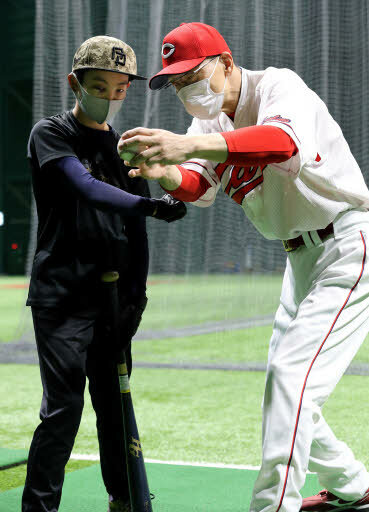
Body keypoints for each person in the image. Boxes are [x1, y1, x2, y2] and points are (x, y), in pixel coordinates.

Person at [118, 22, 369, 512]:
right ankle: (353, 484)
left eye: (191, 75)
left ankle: (272, 506)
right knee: (285, 384)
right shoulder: (206, 125)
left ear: (226, 63)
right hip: (298, 260)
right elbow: (198, 187)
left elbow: (281, 143)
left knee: (290, 377)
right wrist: (163, 171)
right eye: (175, 81)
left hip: (346, 244)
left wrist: (186, 147)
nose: (184, 89)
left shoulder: (279, 85)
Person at [22, 35, 186, 512]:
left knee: (115, 410)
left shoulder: (121, 146)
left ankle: (127, 499)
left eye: (120, 88)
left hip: (114, 301)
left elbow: (133, 232)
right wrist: (154, 206)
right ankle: (39, 507)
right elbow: (86, 188)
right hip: (62, 297)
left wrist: (138, 295)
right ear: (75, 83)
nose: (111, 95)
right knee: (63, 410)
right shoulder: (49, 134)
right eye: (100, 85)